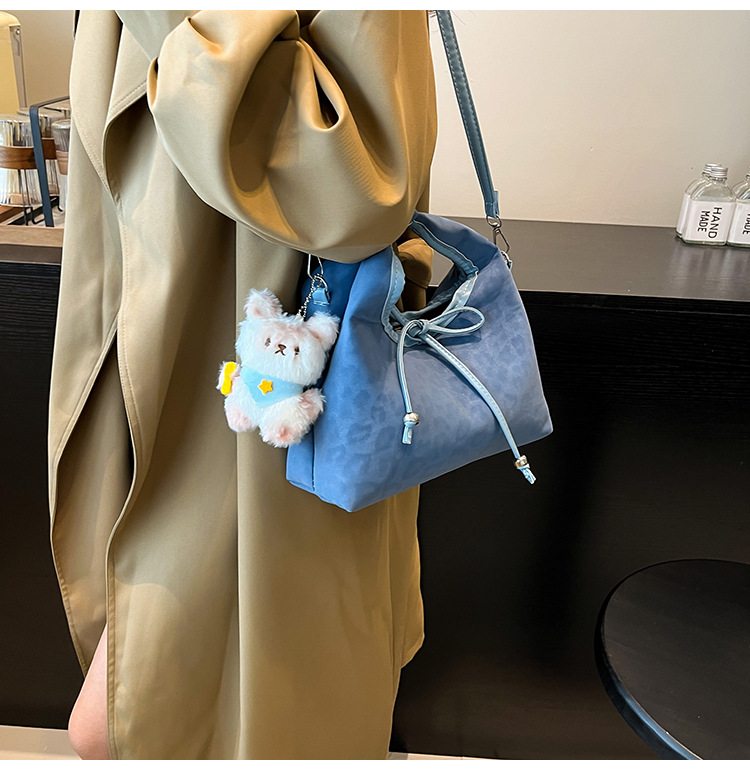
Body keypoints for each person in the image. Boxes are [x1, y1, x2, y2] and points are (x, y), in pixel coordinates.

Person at [49, 10, 437, 760]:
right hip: (172, 366)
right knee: (139, 717)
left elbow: (363, 188)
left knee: (155, 726)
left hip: (271, 413)